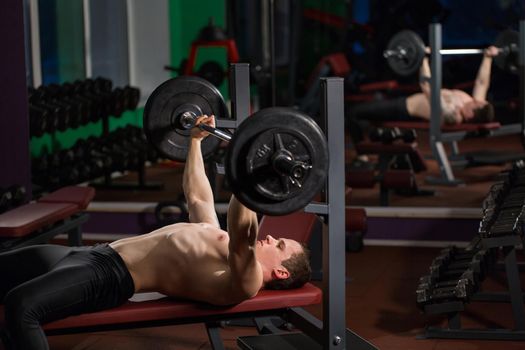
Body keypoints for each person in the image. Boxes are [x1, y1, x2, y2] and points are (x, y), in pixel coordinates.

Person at [0, 115, 312, 350]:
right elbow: (198, 197)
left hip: (111, 275)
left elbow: (242, 229)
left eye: (280, 244)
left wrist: (251, 171)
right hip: (89, 254)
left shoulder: (246, 279)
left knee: (22, 306)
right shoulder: (219, 239)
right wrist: (195, 141)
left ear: (282, 273)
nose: (271, 237)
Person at [346, 46, 500, 146]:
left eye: (477, 104)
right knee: (375, 101)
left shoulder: (452, 114)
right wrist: (488, 57)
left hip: (403, 110)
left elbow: (427, 87)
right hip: (406, 99)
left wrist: (423, 59)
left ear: (471, 113)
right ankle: (374, 136)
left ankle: (362, 156)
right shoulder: (473, 103)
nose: (478, 100)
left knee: (353, 112)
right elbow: (481, 83)